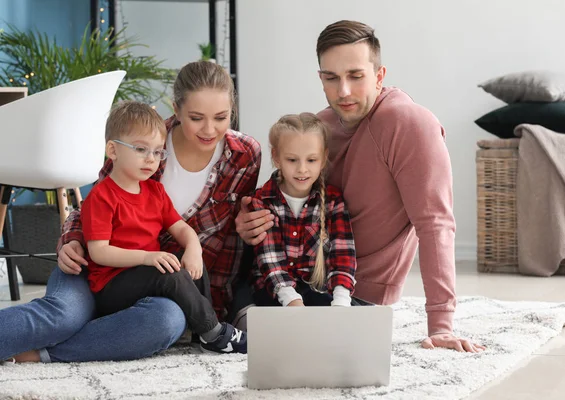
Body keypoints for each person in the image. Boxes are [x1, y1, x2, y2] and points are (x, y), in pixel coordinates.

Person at [235, 20, 485, 352]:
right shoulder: (319, 126)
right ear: (320, 78)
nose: (344, 92)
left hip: (350, 289)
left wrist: (441, 325)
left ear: (380, 75)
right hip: (287, 273)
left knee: (304, 345)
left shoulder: (410, 124)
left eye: (356, 76)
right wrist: (247, 221)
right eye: (331, 78)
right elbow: (278, 195)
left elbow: (435, 223)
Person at [1, 60, 260, 363]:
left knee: (166, 321)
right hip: (94, 268)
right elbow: (97, 204)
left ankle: (44, 352)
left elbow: (227, 240)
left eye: (221, 117)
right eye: (196, 117)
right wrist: (71, 239)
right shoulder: (141, 140)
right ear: (176, 110)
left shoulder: (244, 156)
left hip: (161, 287)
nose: (209, 129)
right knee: (65, 316)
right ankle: (90, 331)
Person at [81, 101, 246, 354]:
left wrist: (193, 248)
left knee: (191, 262)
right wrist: (148, 257)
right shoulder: (102, 196)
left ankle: (200, 333)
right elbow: (99, 252)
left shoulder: (154, 191)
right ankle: (214, 332)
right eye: (140, 149)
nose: (151, 159)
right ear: (113, 150)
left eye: (158, 152)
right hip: (110, 286)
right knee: (167, 271)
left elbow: (181, 228)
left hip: (145, 276)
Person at [250, 113, 356, 308]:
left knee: (349, 320)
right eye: (292, 160)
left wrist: (341, 300)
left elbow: (343, 253)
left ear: (323, 159)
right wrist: (291, 299)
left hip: (316, 289)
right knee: (270, 325)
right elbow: (269, 258)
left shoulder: (333, 201)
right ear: (276, 157)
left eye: (311, 160)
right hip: (273, 290)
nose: (302, 169)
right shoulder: (263, 200)